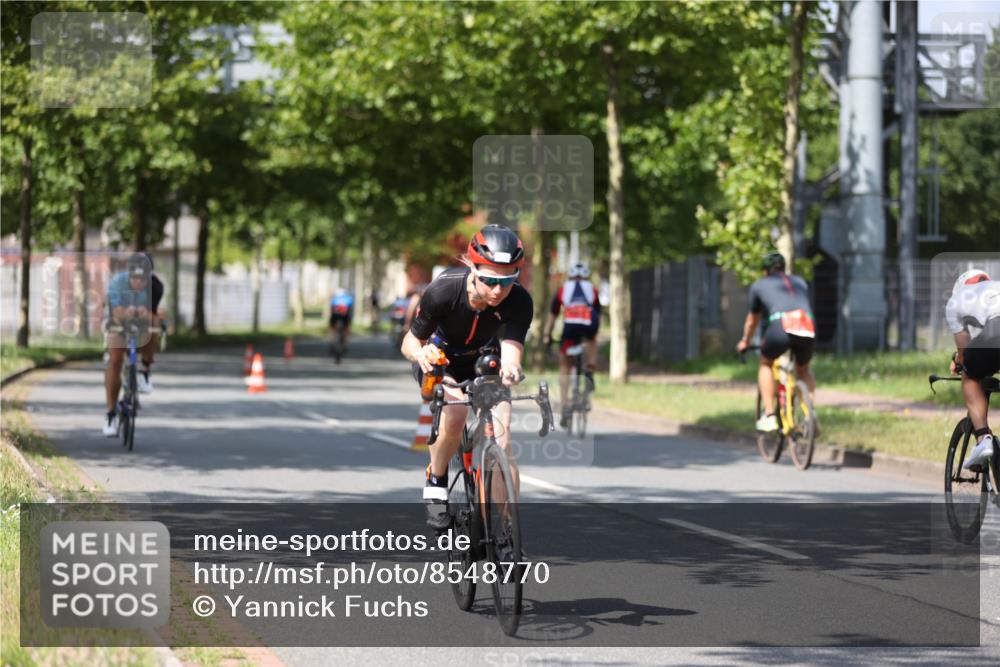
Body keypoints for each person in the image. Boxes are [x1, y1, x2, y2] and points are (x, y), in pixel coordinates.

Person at [400, 224, 532, 530]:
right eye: (489, 280)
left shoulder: (520, 301)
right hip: (438, 360)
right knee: (456, 410)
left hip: (484, 361)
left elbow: (511, 351)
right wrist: (421, 356)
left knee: (503, 434)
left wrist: (511, 369)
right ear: (472, 267)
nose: (498, 290)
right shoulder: (445, 289)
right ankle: (436, 479)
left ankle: (509, 534)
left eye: (507, 281)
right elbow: (410, 341)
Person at [736, 251, 816, 432]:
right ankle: (810, 415)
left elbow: (752, 321)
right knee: (803, 370)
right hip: (807, 323)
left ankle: (770, 415)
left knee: (765, 363)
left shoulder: (759, 285)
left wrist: (745, 341)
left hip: (781, 324)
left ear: (765, 271)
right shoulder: (800, 281)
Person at [103, 253, 164, 436]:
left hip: (142, 323)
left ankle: (144, 371)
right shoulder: (117, 283)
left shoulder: (155, 287)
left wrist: (145, 315)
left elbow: (154, 318)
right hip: (119, 322)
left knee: (154, 328)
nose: (138, 283)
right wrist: (128, 312)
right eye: (134, 278)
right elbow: (116, 314)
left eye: (143, 279)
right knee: (115, 361)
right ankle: (111, 414)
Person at [946, 269, 1000, 471]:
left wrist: (960, 362)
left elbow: (964, 350)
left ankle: (983, 439)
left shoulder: (955, 301)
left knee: (970, 376)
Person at [543, 261, 601, 429]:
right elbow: (598, 314)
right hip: (589, 324)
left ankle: (564, 405)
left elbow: (553, 316)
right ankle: (590, 369)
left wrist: (547, 335)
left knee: (565, 364)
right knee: (592, 339)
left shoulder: (562, 289)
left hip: (570, 326)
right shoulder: (593, 289)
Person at [328, 288, 355, 352]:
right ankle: (345, 343)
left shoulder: (334, 299)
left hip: (335, 316)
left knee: (333, 329)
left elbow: (332, 309)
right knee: (346, 328)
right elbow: (350, 309)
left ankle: (332, 341)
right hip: (345, 316)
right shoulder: (348, 299)